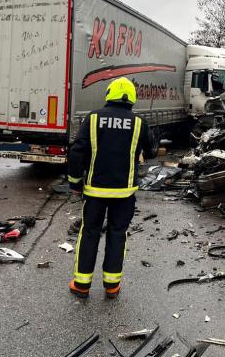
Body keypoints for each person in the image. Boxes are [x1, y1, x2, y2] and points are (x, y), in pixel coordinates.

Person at [67, 77, 155, 300]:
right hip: (124, 193)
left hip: (95, 191)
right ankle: (112, 286)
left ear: (109, 94)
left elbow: (77, 151)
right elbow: (152, 150)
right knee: (117, 234)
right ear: (132, 97)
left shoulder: (94, 118)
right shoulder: (138, 122)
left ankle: (82, 285)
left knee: (89, 233)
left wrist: (75, 182)